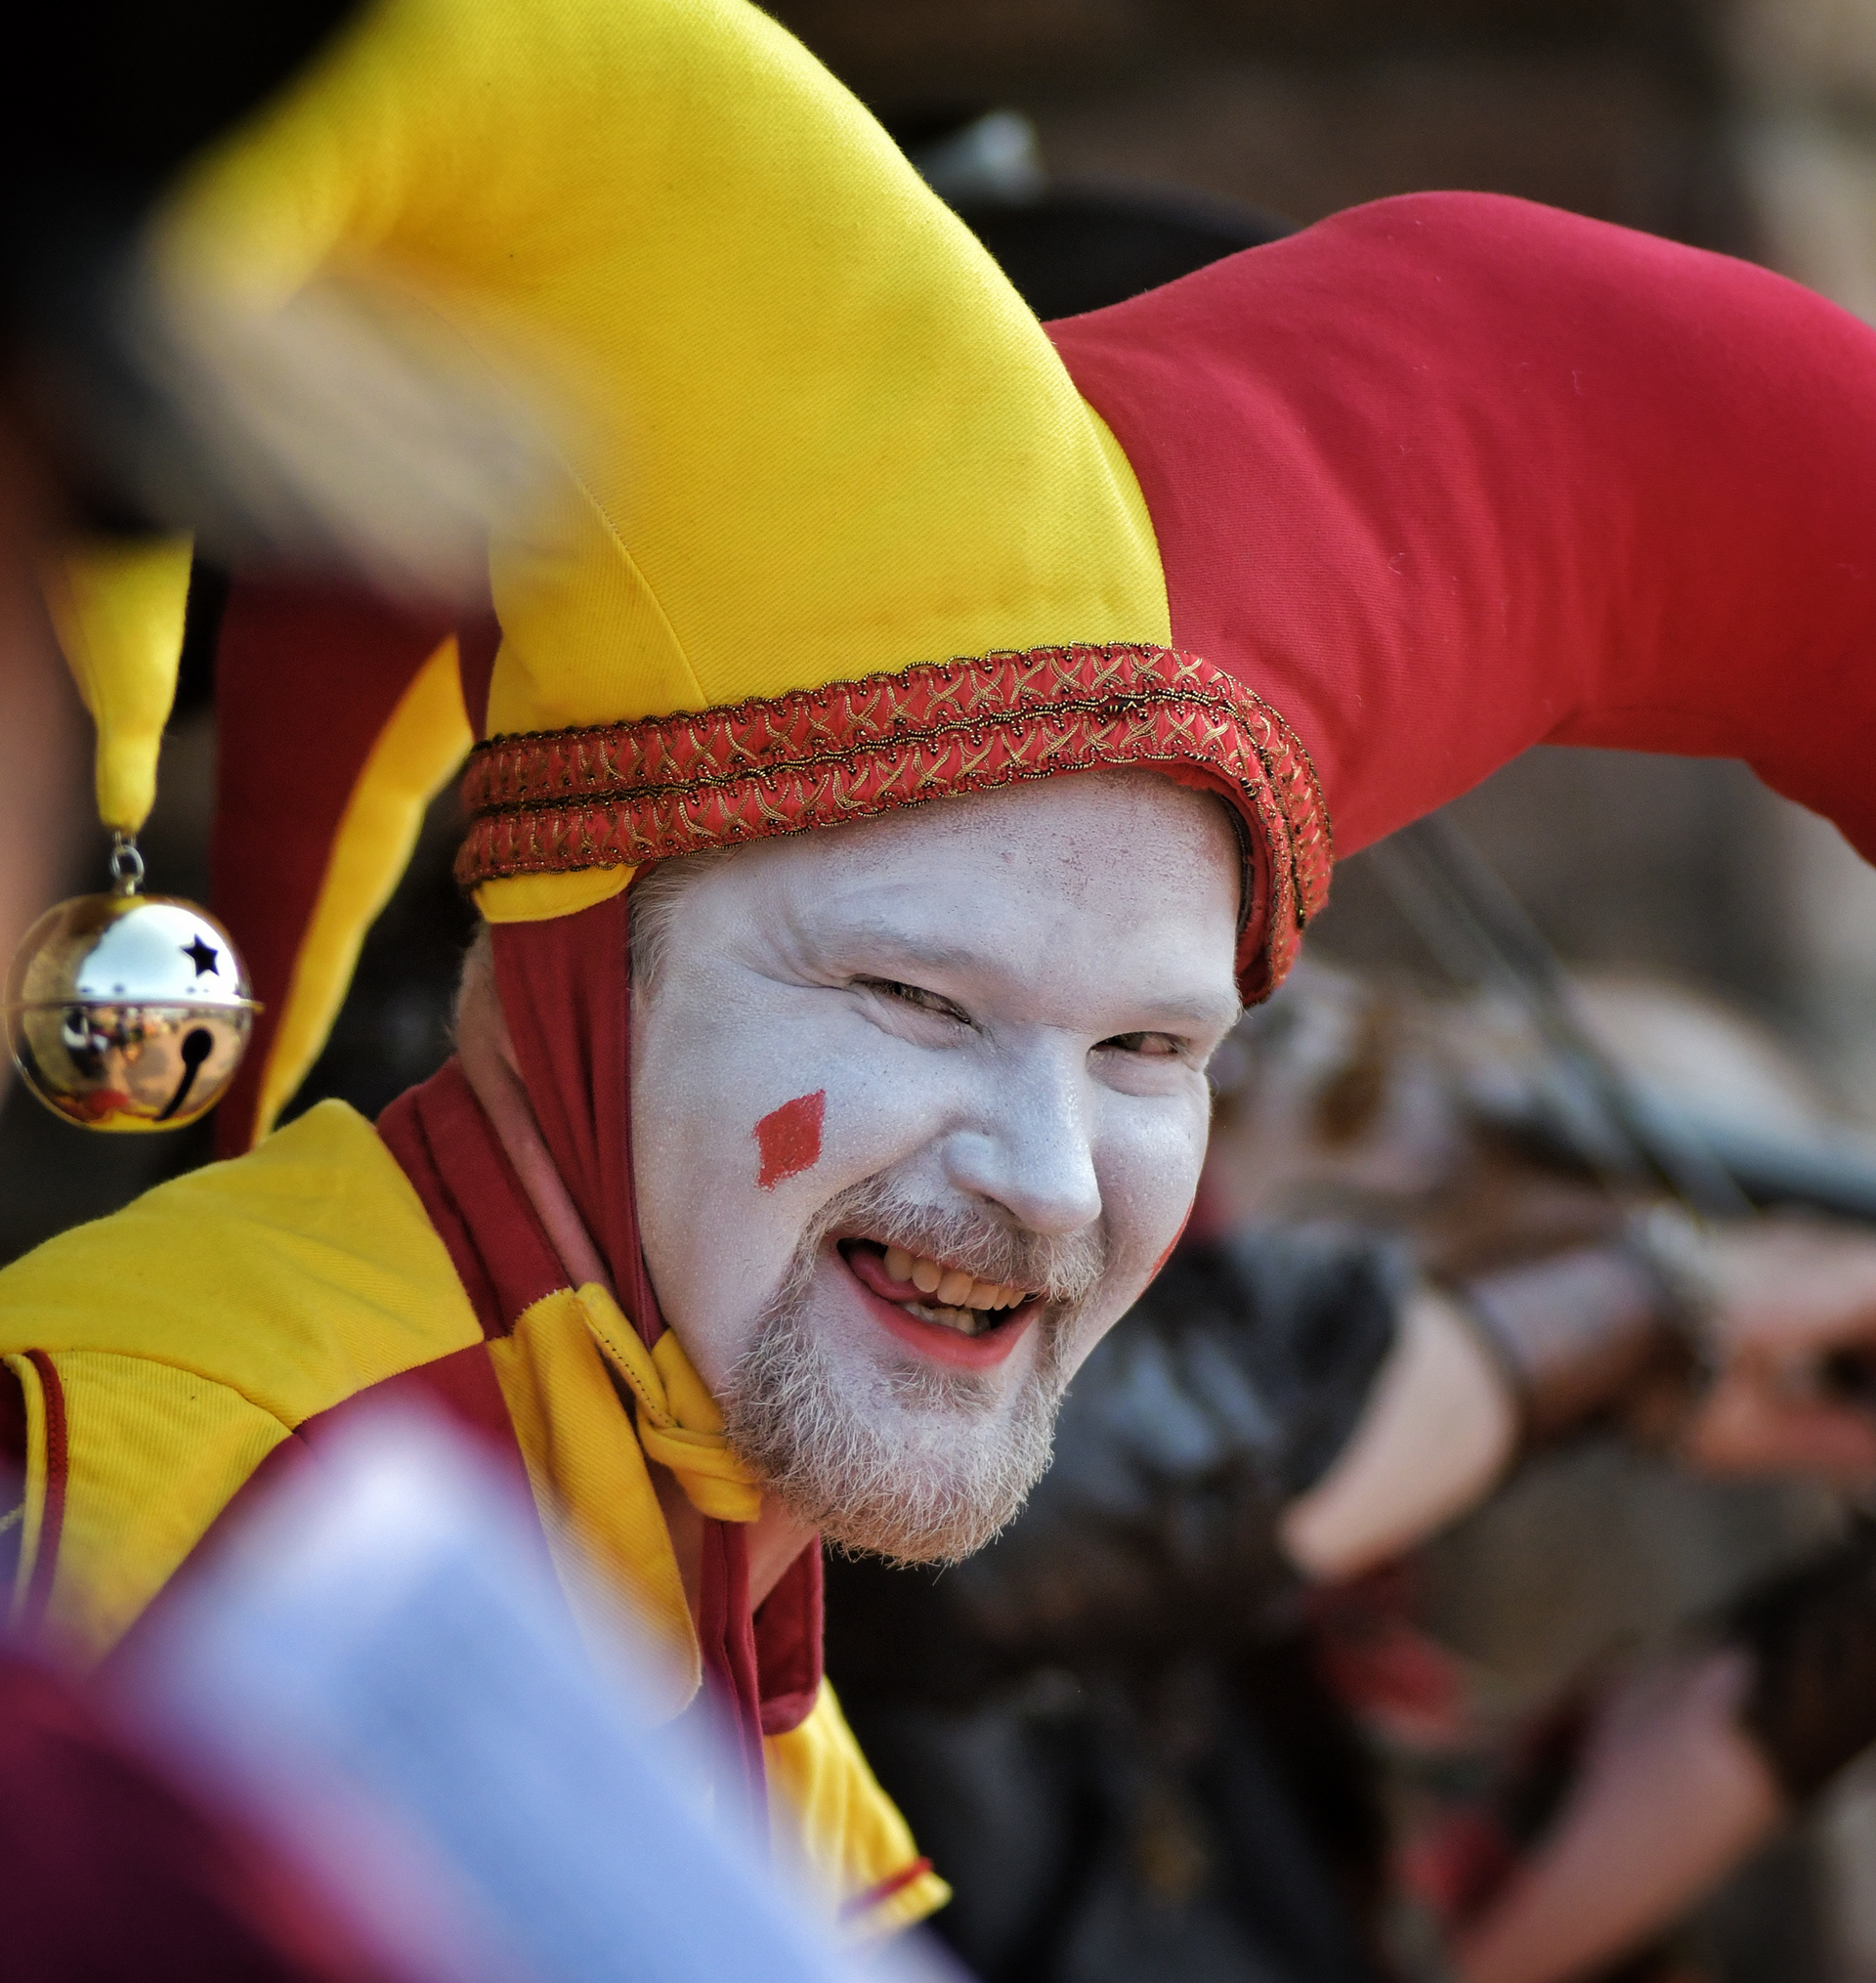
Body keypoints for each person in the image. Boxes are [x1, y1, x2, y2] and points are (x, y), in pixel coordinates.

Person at [9, 0, 1876, 1942]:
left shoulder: (685, 1525)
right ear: (578, 968)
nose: (1053, 1179)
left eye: (1155, 1046)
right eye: (910, 1000)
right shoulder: (199, 1489)